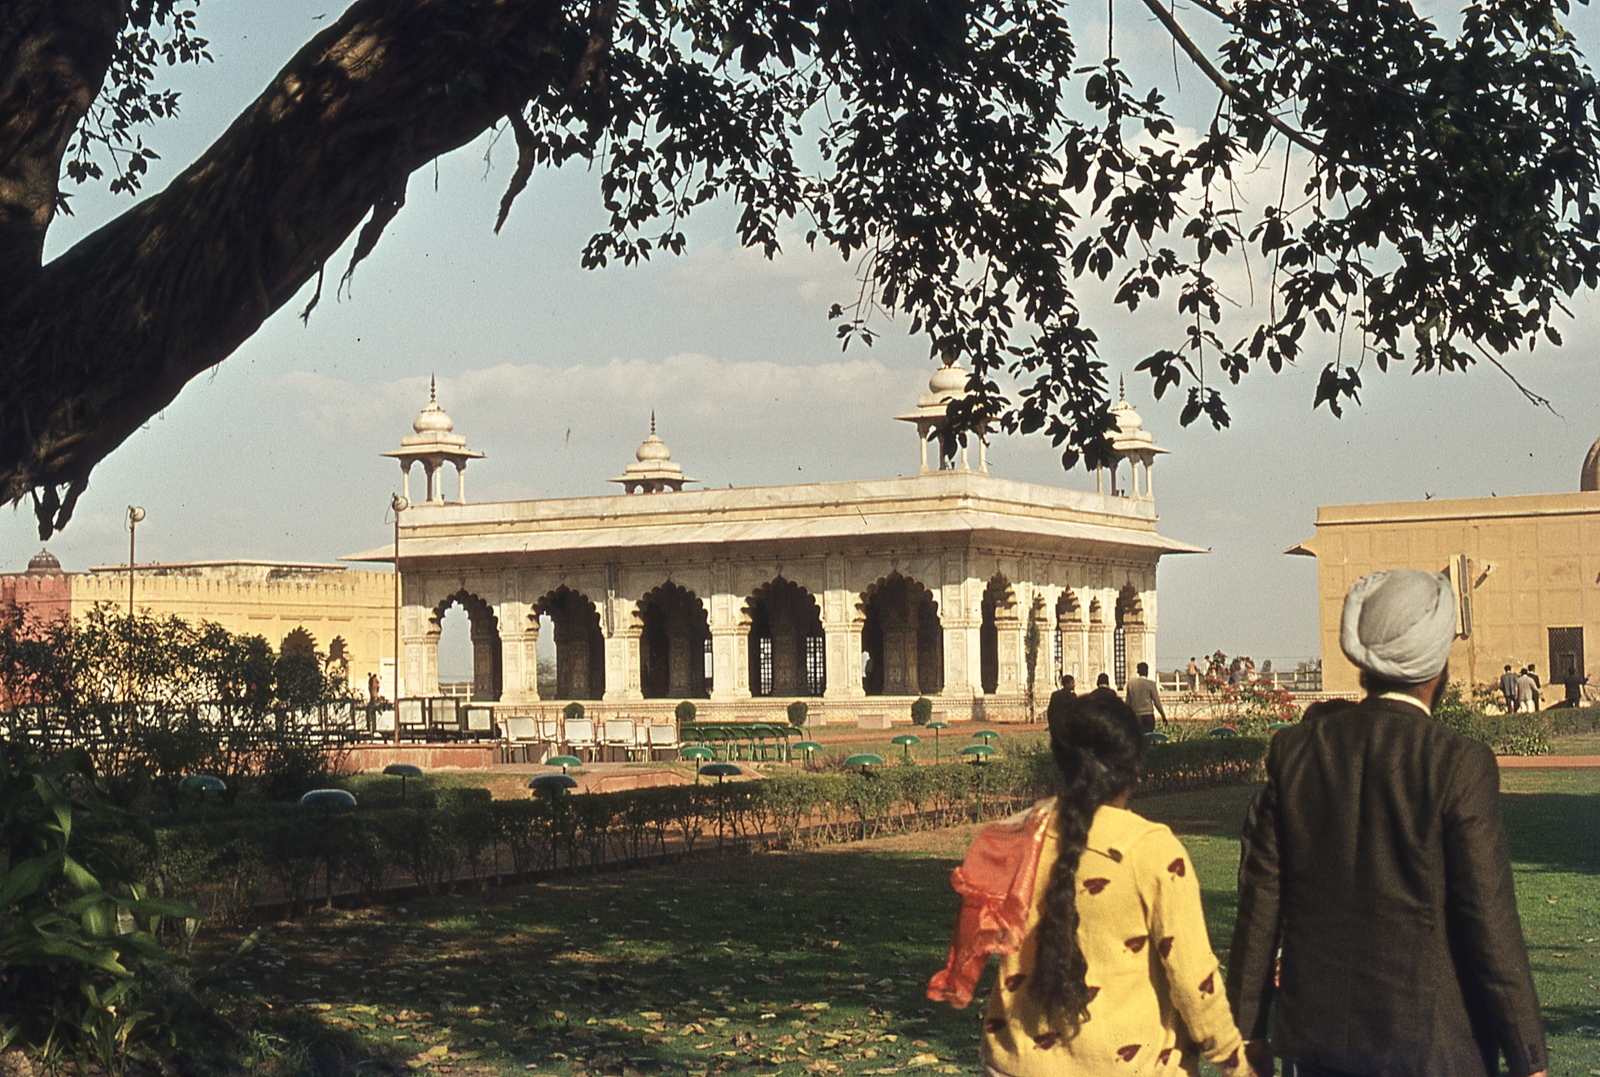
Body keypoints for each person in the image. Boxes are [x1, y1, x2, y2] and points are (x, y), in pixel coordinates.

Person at [1229, 569, 1547, 1077]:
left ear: (1363, 664)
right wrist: (1528, 1056)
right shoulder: (1457, 762)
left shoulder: (1296, 754)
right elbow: (1489, 920)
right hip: (1434, 1047)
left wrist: (1246, 1032)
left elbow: (1259, 907)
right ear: (1436, 666)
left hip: (1319, 1046)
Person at [929, 692, 1259, 1076]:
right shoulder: (1151, 851)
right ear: (1135, 771)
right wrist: (1234, 1062)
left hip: (1016, 1062)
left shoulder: (1020, 837)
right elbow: (1192, 980)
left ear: (1063, 764)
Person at [1124, 661, 1166, 733]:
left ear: (1138, 671)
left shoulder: (1131, 684)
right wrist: (1163, 716)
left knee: (1137, 738)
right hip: (1148, 716)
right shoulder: (1151, 684)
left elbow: (1127, 703)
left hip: (1135, 716)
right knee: (1148, 737)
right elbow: (1157, 702)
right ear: (1147, 671)